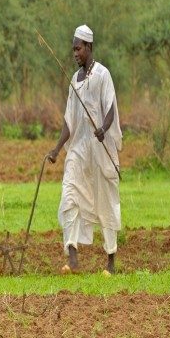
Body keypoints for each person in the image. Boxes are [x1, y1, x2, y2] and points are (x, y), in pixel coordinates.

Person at [47, 24, 122, 275]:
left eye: (78, 48)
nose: (75, 53)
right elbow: (69, 120)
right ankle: (73, 257)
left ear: (89, 47)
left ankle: (110, 261)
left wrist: (104, 128)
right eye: (72, 50)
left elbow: (110, 107)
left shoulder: (102, 75)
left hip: (100, 150)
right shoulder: (74, 82)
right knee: (69, 195)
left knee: (105, 203)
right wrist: (58, 149)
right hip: (78, 149)